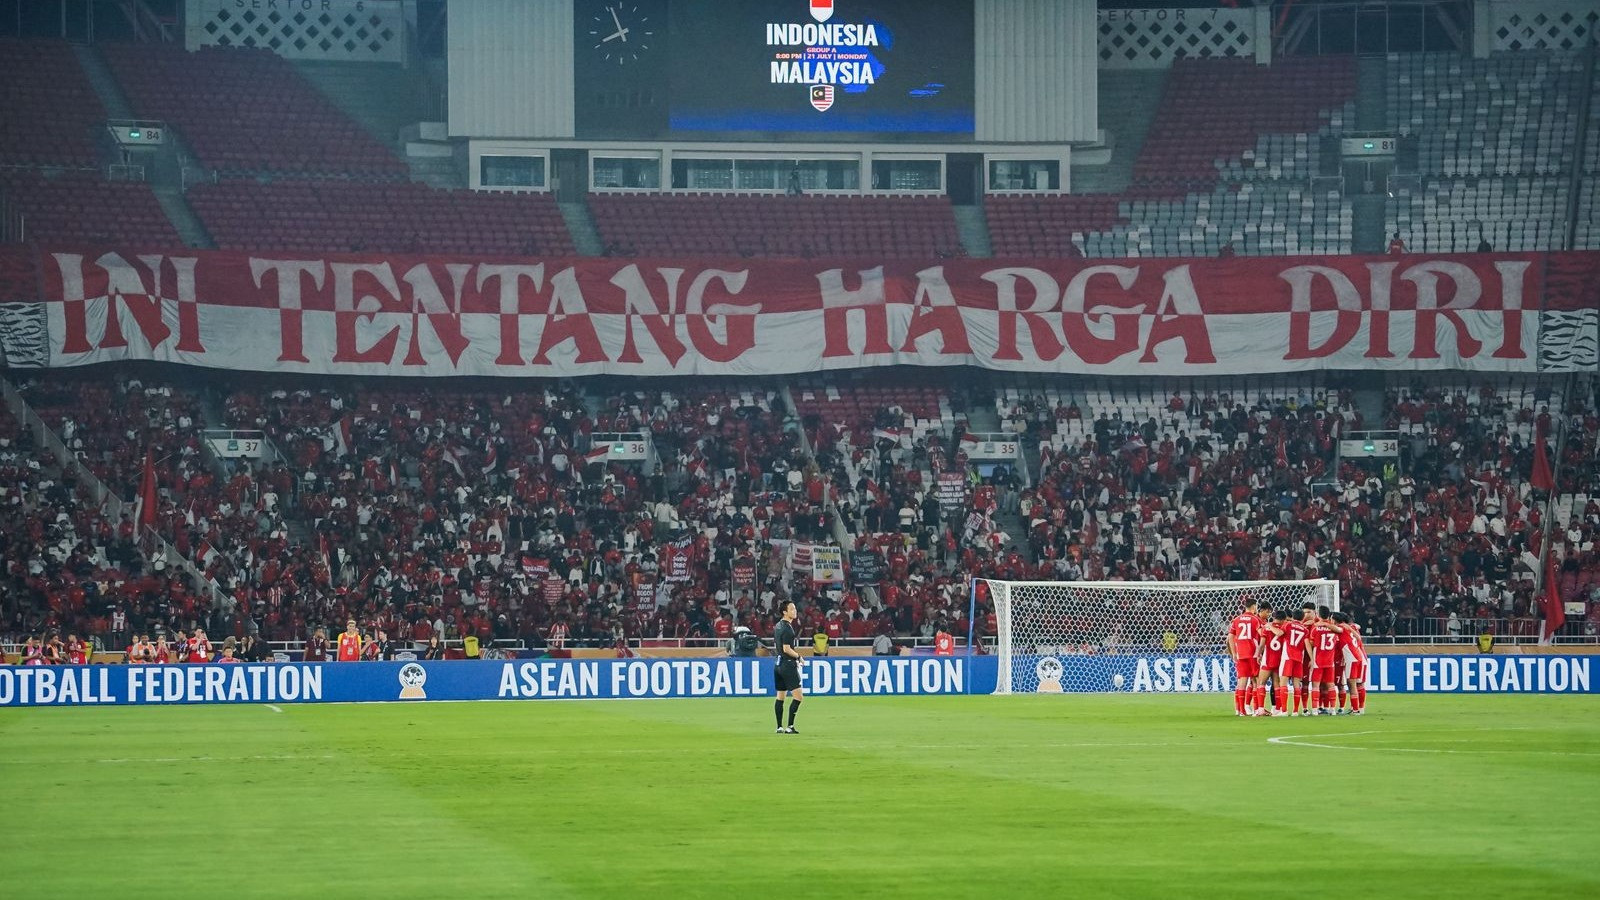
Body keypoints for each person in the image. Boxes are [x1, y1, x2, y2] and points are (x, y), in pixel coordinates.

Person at [1225, 598, 1262, 716]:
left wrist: (1234, 652)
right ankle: (1257, 709)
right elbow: (1262, 634)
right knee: (1256, 680)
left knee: (1242, 680)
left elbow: (1230, 637)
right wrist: (1261, 650)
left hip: (1241, 653)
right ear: (1254, 607)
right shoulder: (1255, 619)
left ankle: (1241, 711)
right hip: (1253, 652)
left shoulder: (1236, 620)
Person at [772, 600, 804, 734]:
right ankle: (790, 726)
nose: (794, 611)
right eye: (792, 609)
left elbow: (778, 646)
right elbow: (786, 648)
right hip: (787, 664)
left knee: (780, 697)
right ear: (785, 612)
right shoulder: (788, 629)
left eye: (795, 608)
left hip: (778, 664)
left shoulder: (778, 626)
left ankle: (779, 726)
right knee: (798, 697)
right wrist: (798, 657)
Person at [1307, 606, 1340, 715]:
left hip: (1318, 660)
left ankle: (1315, 710)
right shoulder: (1333, 629)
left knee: (1316, 686)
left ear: (1319, 615)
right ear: (1329, 615)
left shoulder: (1315, 628)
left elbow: (1311, 644)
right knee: (1331, 685)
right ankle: (1333, 709)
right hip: (1330, 661)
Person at [1277, 609, 1310, 715]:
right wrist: (1312, 658)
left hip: (1288, 656)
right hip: (1299, 659)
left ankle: (1284, 711)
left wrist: (1270, 626)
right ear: (1303, 618)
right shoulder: (1305, 630)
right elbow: (1307, 644)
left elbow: (1279, 633)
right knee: (1297, 685)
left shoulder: (1287, 625)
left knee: (1283, 684)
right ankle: (1295, 711)